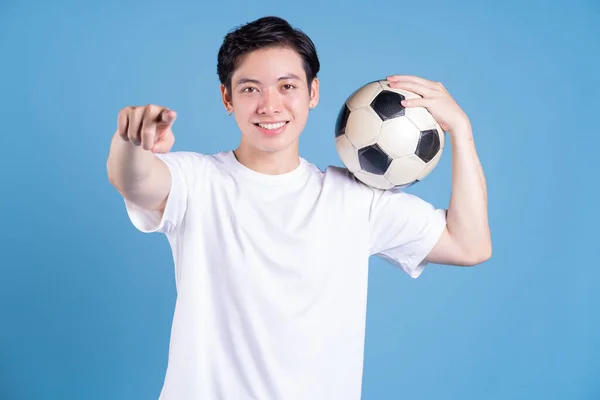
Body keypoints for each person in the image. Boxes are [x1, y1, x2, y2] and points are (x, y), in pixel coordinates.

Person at [106, 15, 491, 400]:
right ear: (227, 98)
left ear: (313, 93)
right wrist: (132, 139)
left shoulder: (356, 199)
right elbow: (135, 180)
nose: (269, 105)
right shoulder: (197, 182)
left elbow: (469, 245)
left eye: (287, 86)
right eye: (250, 89)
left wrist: (461, 130)